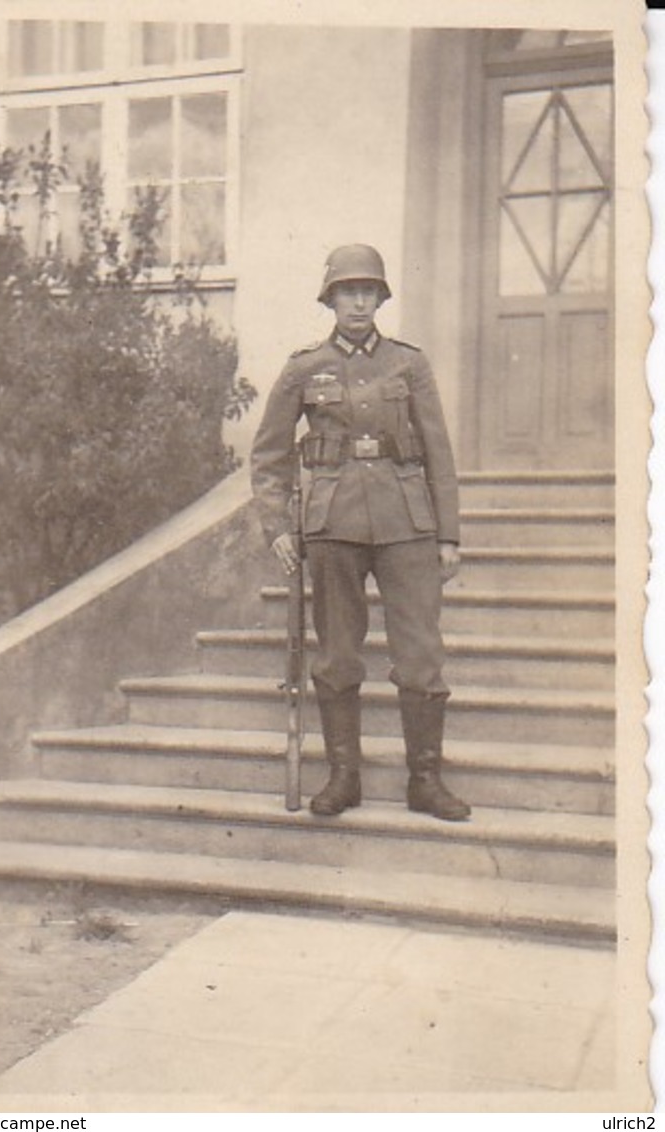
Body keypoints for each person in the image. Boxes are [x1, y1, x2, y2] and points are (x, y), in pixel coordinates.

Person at [250, 244, 470, 821]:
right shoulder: (303, 368)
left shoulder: (408, 364)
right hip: (332, 525)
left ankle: (425, 781)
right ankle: (344, 777)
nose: (358, 300)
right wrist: (277, 526)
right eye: (347, 291)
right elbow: (269, 455)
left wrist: (448, 534)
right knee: (338, 655)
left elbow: (439, 454)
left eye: (367, 291)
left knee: (420, 654)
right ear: (330, 299)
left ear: (380, 298)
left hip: (407, 524)